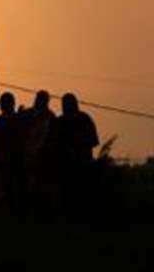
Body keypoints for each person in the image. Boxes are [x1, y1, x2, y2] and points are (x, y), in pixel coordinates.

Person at [52, 93, 101, 222]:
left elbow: (93, 141)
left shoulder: (81, 120)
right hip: (68, 170)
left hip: (78, 169)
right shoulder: (79, 119)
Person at [0, 91, 26, 211]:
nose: (3, 105)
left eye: (4, 103)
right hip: (3, 159)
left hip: (13, 159)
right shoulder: (1, 120)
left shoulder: (16, 119)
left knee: (12, 187)